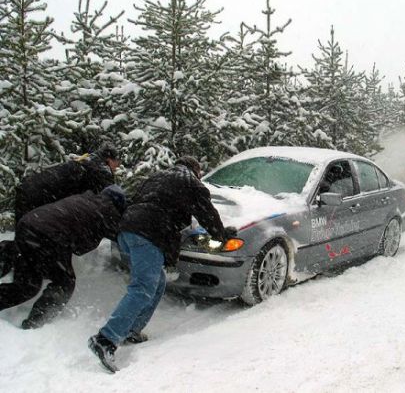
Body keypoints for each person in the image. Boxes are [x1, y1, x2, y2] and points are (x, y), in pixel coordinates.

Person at [88, 156, 236, 373]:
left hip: (127, 231)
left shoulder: (158, 177)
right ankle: (106, 339)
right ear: (196, 170)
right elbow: (207, 214)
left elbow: (142, 203)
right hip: (147, 235)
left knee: (157, 283)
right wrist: (221, 234)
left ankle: (131, 330)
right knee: (142, 289)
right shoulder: (191, 182)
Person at [0, 185, 126, 329]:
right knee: (65, 282)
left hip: (28, 226)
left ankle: (8, 253)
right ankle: (36, 325)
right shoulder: (108, 211)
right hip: (48, 237)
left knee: (27, 285)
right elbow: (118, 238)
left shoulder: (85, 198)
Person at [0, 143, 120, 278]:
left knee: (24, 239)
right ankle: (24, 277)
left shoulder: (87, 162)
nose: (117, 168)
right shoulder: (100, 169)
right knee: (27, 240)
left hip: (28, 192)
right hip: (38, 199)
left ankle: (20, 274)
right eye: (117, 163)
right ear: (110, 160)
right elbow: (108, 201)